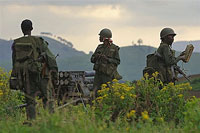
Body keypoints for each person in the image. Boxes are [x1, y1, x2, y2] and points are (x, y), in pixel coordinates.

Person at [11, 19, 58, 120]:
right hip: (41, 74)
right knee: (47, 98)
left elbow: (14, 61)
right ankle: (49, 120)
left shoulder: (16, 43)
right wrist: (55, 74)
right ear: (31, 28)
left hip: (26, 75)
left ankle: (31, 121)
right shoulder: (38, 41)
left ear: (22, 29)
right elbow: (51, 58)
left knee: (30, 100)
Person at [91, 28, 121, 97]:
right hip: (98, 74)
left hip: (107, 75)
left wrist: (107, 59)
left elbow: (117, 61)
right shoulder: (99, 47)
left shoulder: (114, 48)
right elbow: (92, 59)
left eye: (100, 36)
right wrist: (96, 57)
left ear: (105, 38)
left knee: (108, 92)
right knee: (95, 92)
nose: (99, 38)